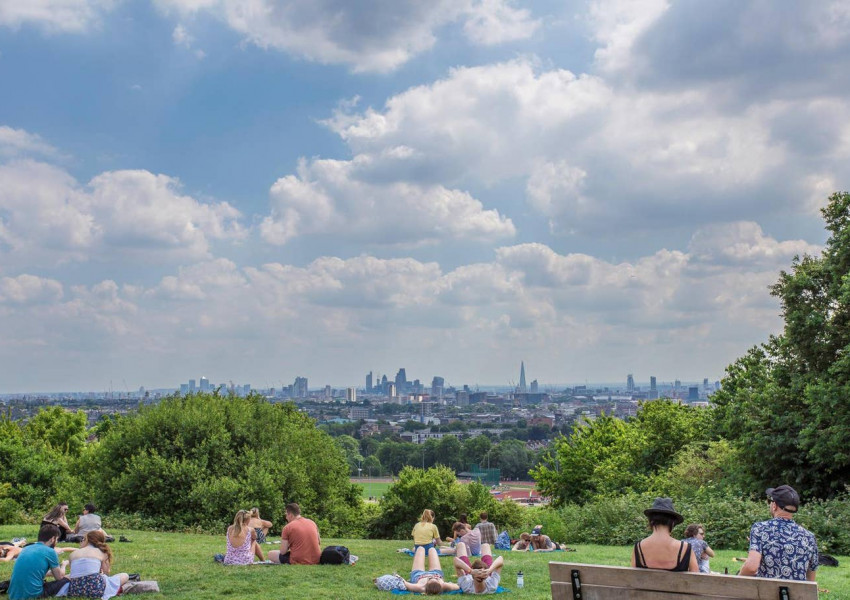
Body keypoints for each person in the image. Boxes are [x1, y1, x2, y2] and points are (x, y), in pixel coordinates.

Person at [739, 485, 818, 581]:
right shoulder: (809, 537)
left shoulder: (760, 529)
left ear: (774, 505)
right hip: (798, 596)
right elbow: (811, 579)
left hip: (765, 594)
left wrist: (735, 581)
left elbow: (751, 568)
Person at [631, 498, 697, 572]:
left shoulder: (638, 547)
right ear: (672, 523)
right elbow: (696, 578)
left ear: (650, 521)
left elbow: (632, 577)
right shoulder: (685, 547)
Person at [7, 524, 69, 600]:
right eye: (57, 539)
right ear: (52, 539)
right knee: (66, 579)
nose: (56, 542)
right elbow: (59, 578)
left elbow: (34, 571)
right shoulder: (50, 551)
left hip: (13, 594)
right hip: (33, 594)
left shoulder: (26, 548)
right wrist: (64, 565)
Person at [64, 530, 129, 599]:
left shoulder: (72, 554)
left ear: (87, 540)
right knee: (125, 575)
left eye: (83, 539)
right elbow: (107, 572)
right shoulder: (102, 552)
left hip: (74, 591)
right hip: (96, 590)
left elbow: (73, 574)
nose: (81, 541)